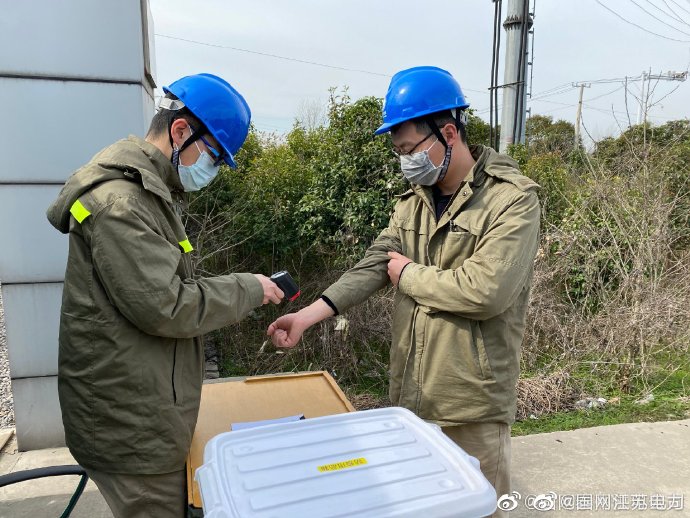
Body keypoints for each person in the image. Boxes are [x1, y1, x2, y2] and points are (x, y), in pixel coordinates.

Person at [267, 66, 540, 515]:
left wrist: (409, 275)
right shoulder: (414, 200)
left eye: (410, 149)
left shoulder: (511, 200)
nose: (405, 161)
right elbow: (376, 264)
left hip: (470, 404)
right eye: (399, 152)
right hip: (412, 398)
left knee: (477, 507)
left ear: (448, 133)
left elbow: (486, 291)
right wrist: (307, 316)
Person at [46, 73, 284, 518]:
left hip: (141, 408)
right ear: (179, 131)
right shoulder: (121, 204)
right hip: (133, 433)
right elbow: (167, 306)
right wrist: (249, 287)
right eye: (213, 156)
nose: (212, 170)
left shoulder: (147, 193)